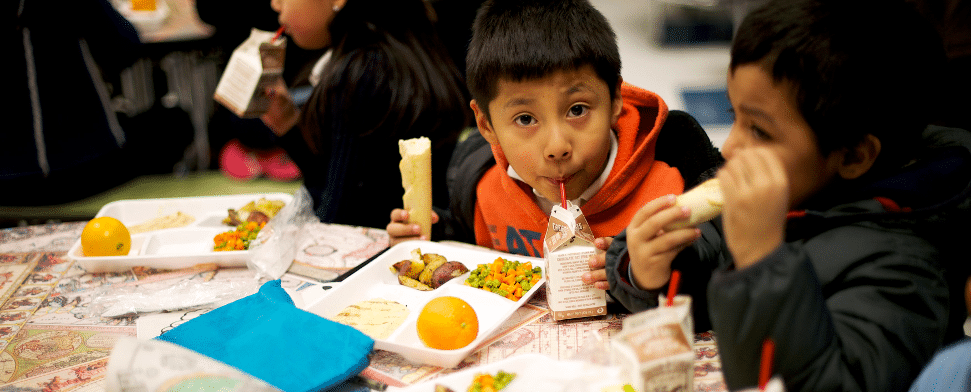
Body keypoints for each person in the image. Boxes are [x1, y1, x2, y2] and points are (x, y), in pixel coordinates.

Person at [602, 0, 971, 391]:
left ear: (852, 156)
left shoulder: (906, 270)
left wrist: (762, 263)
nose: (731, 147)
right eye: (734, 116)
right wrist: (650, 272)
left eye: (759, 131)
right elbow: (710, 257)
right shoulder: (793, 189)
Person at [386, 0, 724, 262]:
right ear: (486, 125)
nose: (557, 146)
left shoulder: (668, 192)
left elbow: (715, 269)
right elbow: (468, 241)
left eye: (577, 110)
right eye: (525, 119)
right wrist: (434, 238)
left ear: (615, 100)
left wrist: (643, 277)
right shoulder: (480, 189)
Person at [261, 0, 473, 228]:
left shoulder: (364, 72)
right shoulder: (406, 50)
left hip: (382, 245)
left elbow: (340, 221)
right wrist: (287, 123)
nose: (275, 4)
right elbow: (342, 182)